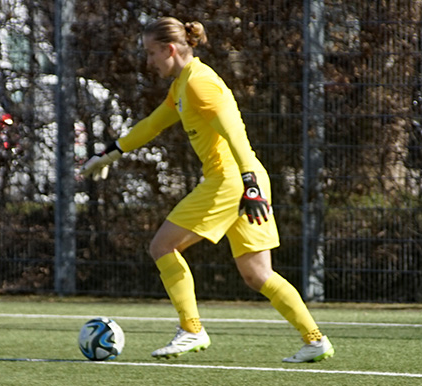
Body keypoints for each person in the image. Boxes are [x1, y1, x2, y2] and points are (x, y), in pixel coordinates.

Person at [80, 16, 335, 363]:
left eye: (151, 53)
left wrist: (249, 184)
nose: (148, 61)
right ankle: (315, 340)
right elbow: (153, 124)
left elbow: (235, 131)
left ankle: (191, 329)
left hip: (233, 181)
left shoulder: (200, 84)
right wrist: (111, 152)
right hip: (244, 180)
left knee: (162, 246)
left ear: (170, 49)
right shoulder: (182, 85)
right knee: (258, 274)